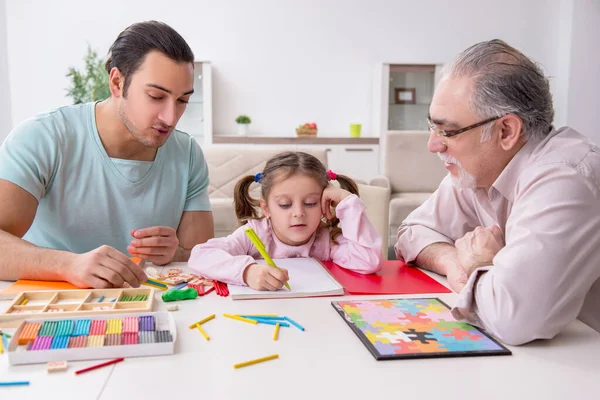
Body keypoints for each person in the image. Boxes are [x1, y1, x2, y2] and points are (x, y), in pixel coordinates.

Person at [394, 39, 600, 345]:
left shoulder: (565, 177)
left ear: (506, 131)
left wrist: (481, 263)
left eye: (447, 131)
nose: (433, 145)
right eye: (432, 127)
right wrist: (455, 261)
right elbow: (411, 232)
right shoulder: (478, 170)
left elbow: (514, 320)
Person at [0, 21, 214, 288]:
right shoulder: (43, 137)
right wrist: (68, 265)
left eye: (182, 100)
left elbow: (206, 257)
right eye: (156, 96)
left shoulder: (188, 154)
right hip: (54, 308)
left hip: (149, 308)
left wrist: (176, 253)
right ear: (117, 82)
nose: (170, 118)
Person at [188, 151, 381, 290]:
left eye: (310, 203)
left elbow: (368, 261)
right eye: (285, 205)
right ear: (266, 208)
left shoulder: (326, 239)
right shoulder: (255, 233)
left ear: (324, 203)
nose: (298, 213)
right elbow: (200, 255)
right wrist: (247, 272)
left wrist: (347, 203)